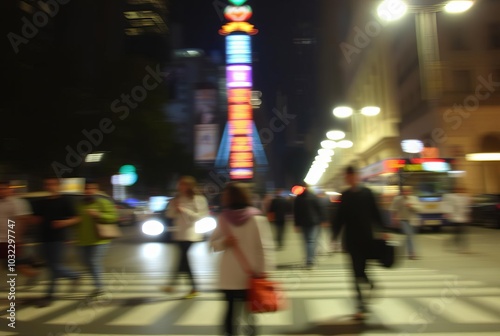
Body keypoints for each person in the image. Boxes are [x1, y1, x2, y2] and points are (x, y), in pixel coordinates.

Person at [210, 182, 275, 336]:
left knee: (230, 310)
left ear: (230, 198)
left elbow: (213, 244)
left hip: (229, 275)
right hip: (250, 274)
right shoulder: (257, 218)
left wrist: (223, 243)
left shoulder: (224, 218)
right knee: (249, 312)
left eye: (225, 195)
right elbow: (264, 247)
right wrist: (264, 271)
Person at [332, 166, 386, 320]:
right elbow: (339, 218)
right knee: (354, 273)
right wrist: (334, 237)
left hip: (367, 239)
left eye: (352, 176)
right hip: (350, 240)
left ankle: (370, 283)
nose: (350, 179)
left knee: (362, 270)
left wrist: (382, 229)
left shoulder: (367, 193)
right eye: (347, 177)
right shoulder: (345, 195)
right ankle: (360, 306)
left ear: (357, 176)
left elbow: (376, 212)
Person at [34, 177, 80, 307]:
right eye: (47, 184)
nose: (50, 186)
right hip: (43, 238)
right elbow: (36, 219)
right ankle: (73, 275)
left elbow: (77, 218)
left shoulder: (66, 200)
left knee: (53, 267)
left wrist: (64, 223)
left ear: (58, 186)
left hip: (59, 238)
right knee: (50, 266)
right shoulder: (41, 202)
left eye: (53, 184)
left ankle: (49, 295)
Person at [163, 176, 209, 299]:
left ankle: (189, 287)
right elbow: (170, 215)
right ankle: (178, 285)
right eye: (179, 184)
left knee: (183, 259)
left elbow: (200, 216)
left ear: (189, 186)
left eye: (182, 184)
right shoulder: (177, 198)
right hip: (179, 233)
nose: (180, 187)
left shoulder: (198, 199)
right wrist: (173, 207)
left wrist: (183, 210)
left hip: (191, 233)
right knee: (183, 260)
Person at [75, 180, 118, 296]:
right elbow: (77, 220)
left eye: (92, 188)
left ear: (96, 190)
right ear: (83, 190)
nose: (89, 191)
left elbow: (113, 217)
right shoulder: (79, 204)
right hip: (84, 239)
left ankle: (99, 287)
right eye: (86, 188)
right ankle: (97, 283)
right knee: (85, 262)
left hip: (101, 239)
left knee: (94, 261)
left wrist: (98, 215)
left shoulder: (103, 202)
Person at [0, 181, 39, 278]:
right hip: (1, 238)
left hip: (11, 238)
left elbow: (23, 220)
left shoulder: (17, 202)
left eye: (3, 189)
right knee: (11, 263)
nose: (1, 191)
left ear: (9, 189)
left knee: (14, 263)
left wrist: (17, 237)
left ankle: (33, 275)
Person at [293, 183, 324, 270]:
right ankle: (310, 260)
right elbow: (319, 208)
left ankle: (309, 259)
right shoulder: (313, 196)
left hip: (303, 223)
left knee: (306, 241)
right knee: (311, 241)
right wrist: (322, 219)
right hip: (313, 222)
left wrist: (296, 224)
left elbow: (296, 212)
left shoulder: (298, 198)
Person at [390, 186, 420, 259]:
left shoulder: (414, 199)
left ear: (410, 192)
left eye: (408, 191)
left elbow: (419, 209)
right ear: (402, 192)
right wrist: (394, 218)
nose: (406, 193)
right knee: (409, 235)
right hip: (403, 220)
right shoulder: (398, 199)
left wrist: (411, 206)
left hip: (412, 220)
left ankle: (402, 250)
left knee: (410, 236)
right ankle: (412, 253)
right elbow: (393, 209)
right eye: (404, 191)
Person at [442, 185, 472, 253]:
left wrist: (468, 215)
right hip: (455, 218)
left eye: (463, 190)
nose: (461, 191)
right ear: (456, 190)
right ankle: (458, 246)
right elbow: (448, 205)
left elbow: (467, 207)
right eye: (460, 190)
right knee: (457, 233)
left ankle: (464, 247)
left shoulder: (465, 198)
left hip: (463, 218)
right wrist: (448, 213)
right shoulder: (452, 197)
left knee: (463, 233)